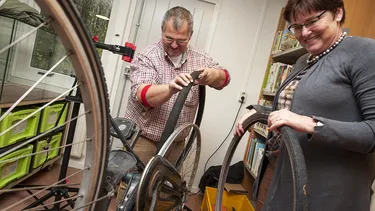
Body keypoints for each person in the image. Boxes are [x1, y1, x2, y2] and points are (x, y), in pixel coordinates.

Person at [234, 0, 375, 210]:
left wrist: (311, 124)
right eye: (297, 27)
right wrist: (258, 112)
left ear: (337, 13)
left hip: (329, 190)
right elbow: (293, 110)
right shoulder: (304, 61)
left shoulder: (364, 52)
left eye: (312, 21)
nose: (305, 33)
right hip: (284, 172)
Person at [124, 6, 230, 165]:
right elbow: (142, 95)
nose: (174, 45)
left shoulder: (200, 59)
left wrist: (213, 75)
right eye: (169, 38)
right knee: (132, 186)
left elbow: (224, 79)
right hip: (144, 139)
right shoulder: (148, 56)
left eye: (181, 40)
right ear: (161, 30)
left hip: (176, 143)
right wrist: (169, 89)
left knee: (167, 187)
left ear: (190, 35)